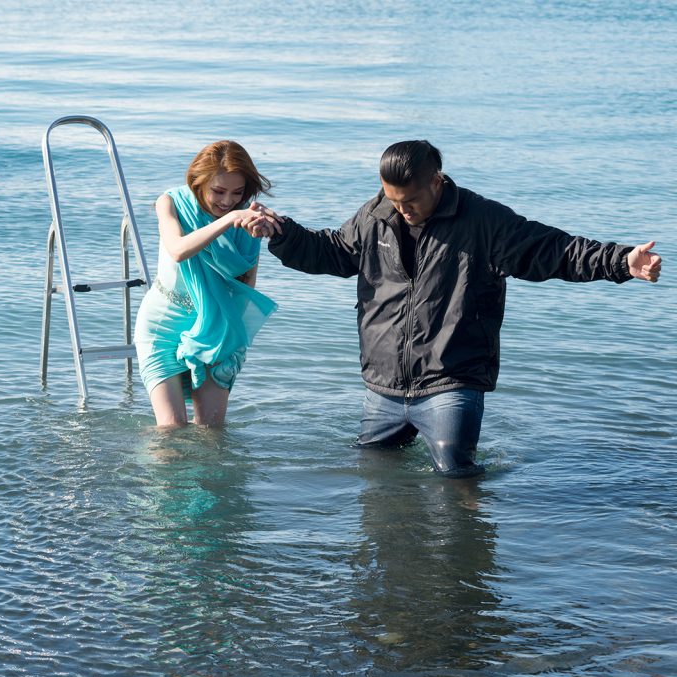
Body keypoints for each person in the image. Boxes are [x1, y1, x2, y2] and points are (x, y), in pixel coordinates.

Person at [243, 140, 662, 477]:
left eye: (410, 201)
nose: (402, 210)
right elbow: (333, 252)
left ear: (437, 181)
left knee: (455, 481)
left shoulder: (483, 221)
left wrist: (621, 262)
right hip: (384, 386)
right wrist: (282, 233)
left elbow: (553, 251)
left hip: (450, 383)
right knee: (374, 482)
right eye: (393, 199)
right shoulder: (376, 214)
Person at [134, 140, 279, 428]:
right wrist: (229, 220)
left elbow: (246, 284)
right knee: (171, 429)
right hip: (163, 324)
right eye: (218, 191)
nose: (227, 201)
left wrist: (257, 227)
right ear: (198, 182)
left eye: (237, 193)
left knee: (212, 430)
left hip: (218, 325)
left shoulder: (245, 218)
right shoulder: (171, 202)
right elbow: (177, 248)